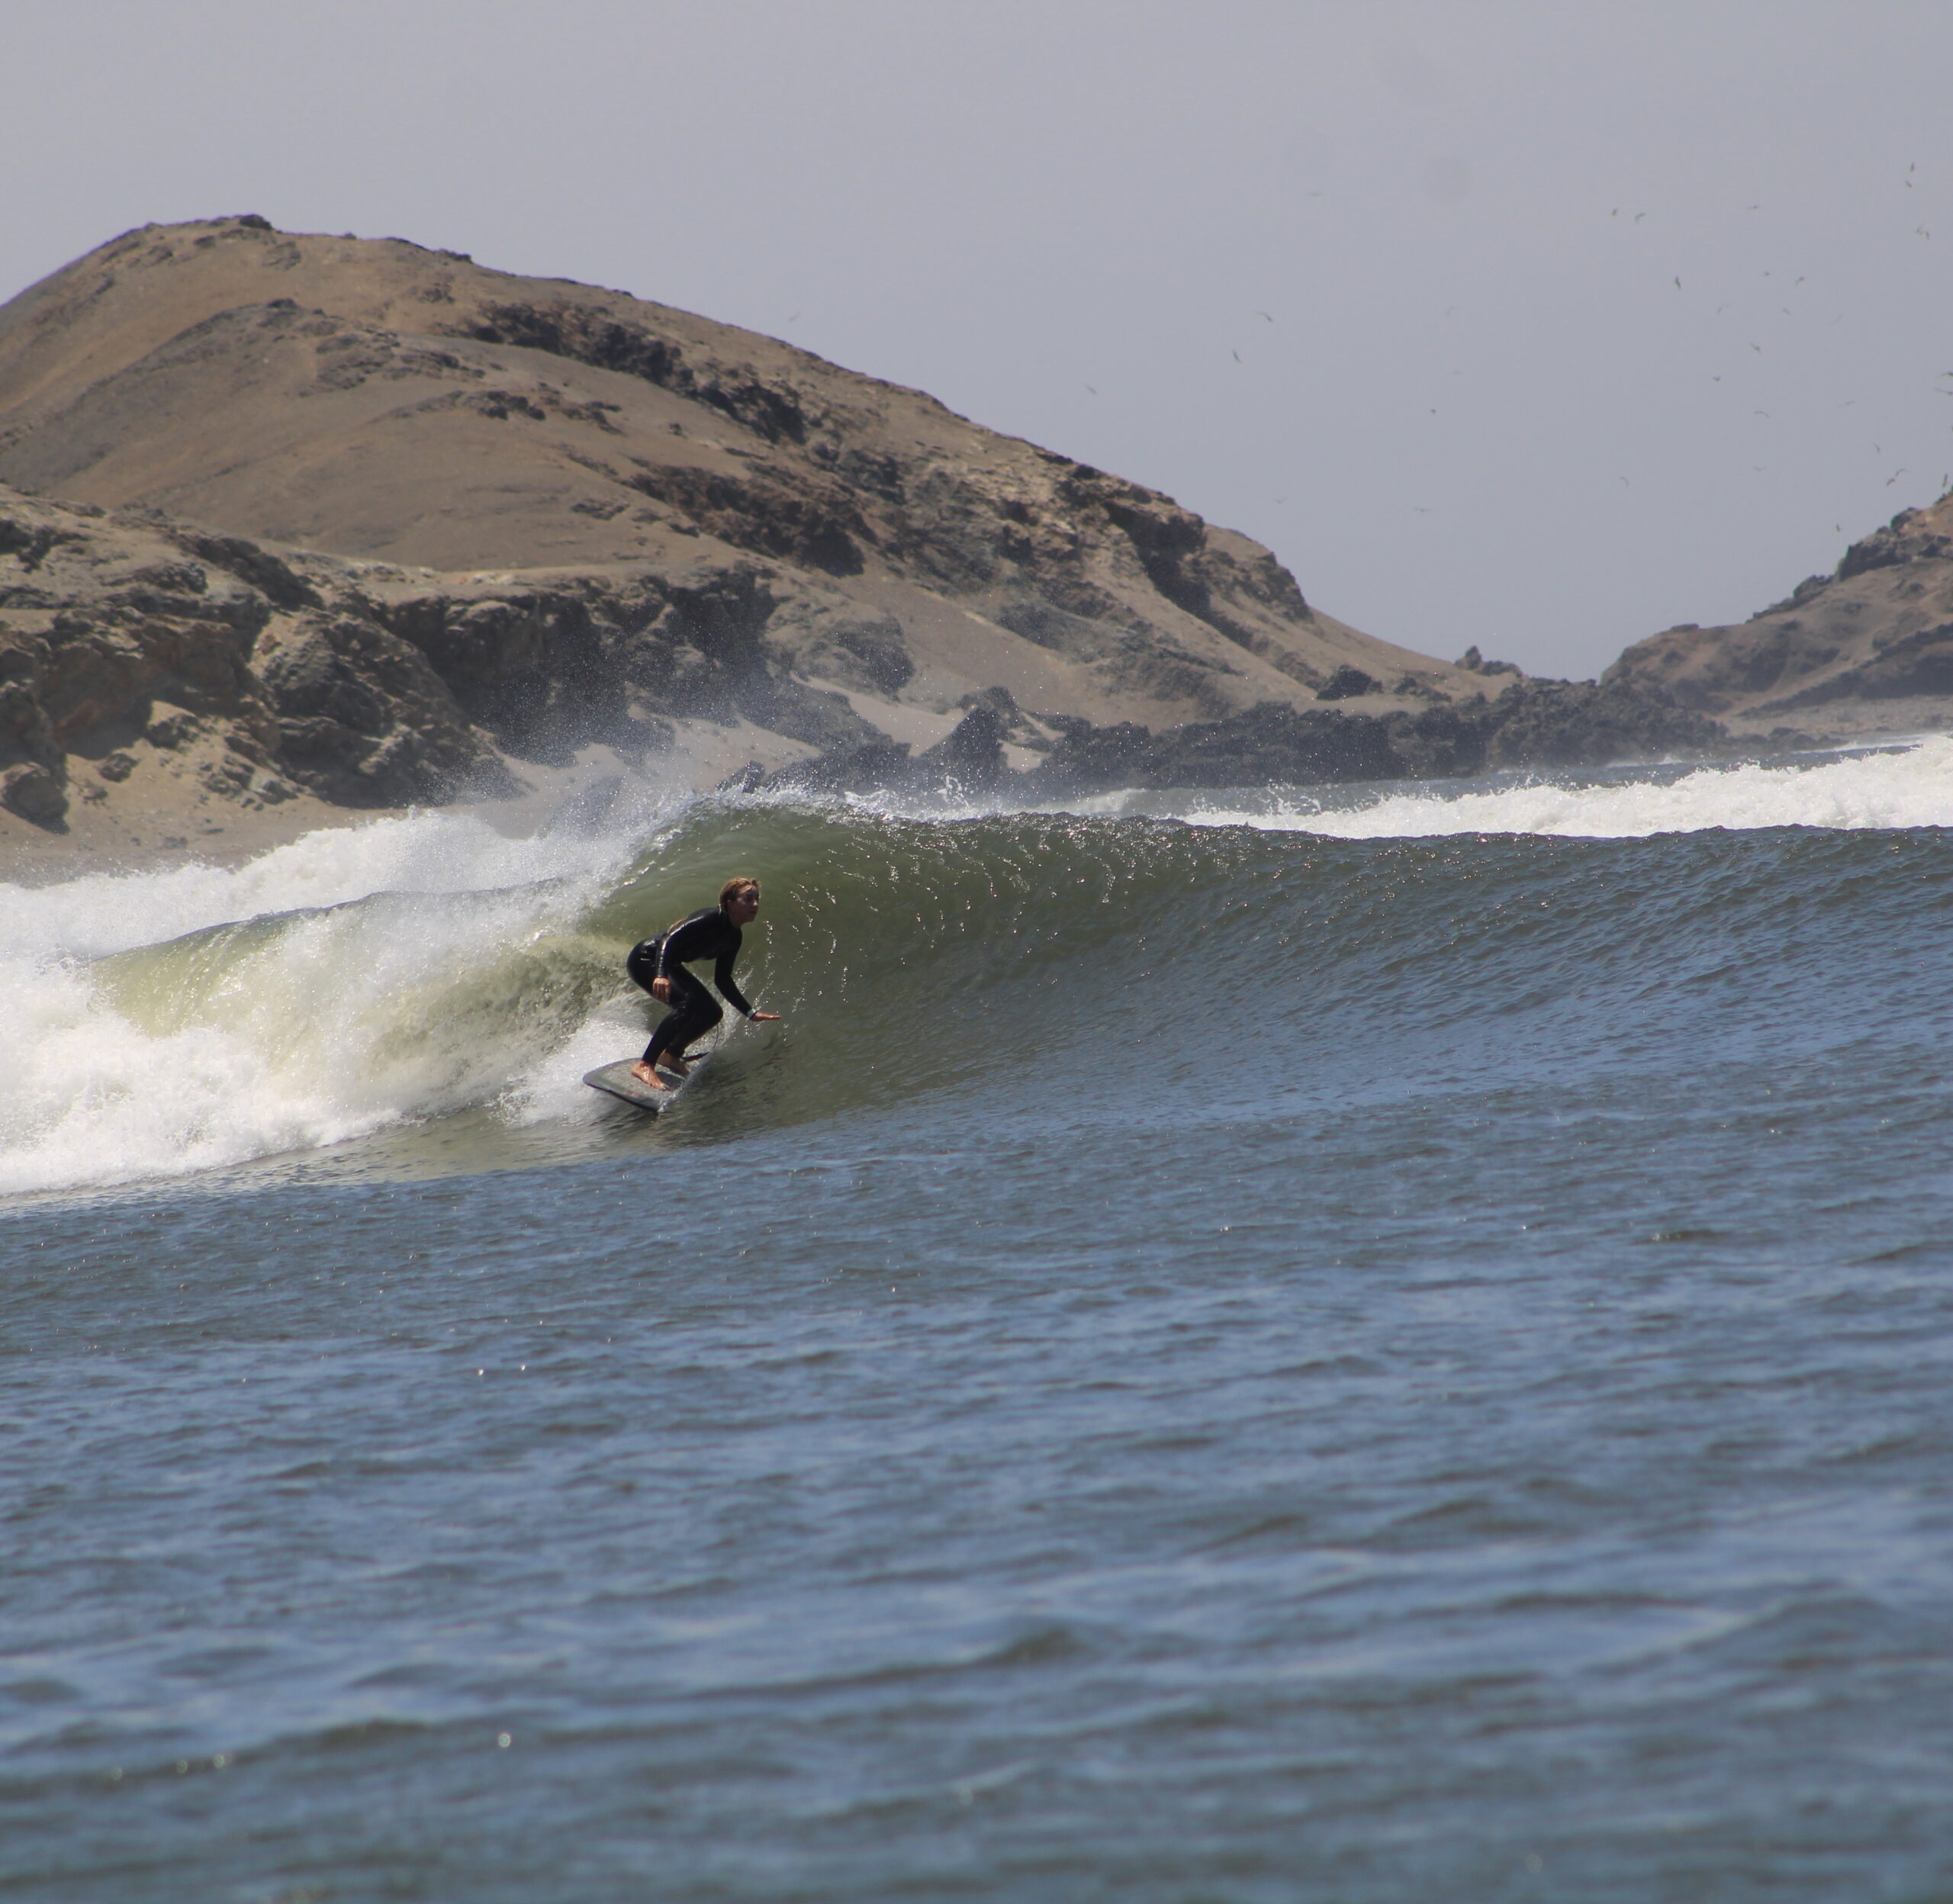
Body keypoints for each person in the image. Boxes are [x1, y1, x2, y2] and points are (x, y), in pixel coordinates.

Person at [626, 877, 780, 1089]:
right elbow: (668, 940)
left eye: (757, 899)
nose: (755, 904)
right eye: (748, 898)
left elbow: (723, 980)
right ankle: (645, 1064)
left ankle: (671, 1056)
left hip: (670, 965)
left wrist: (751, 1012)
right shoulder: (710, 917)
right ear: (730, 903)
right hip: (647, 959)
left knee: (712, 1012)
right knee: (685, 1005)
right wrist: (660, 975)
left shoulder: (734, 937)